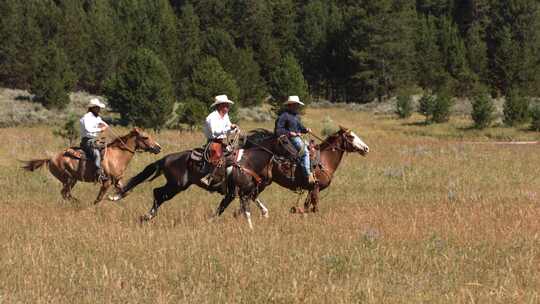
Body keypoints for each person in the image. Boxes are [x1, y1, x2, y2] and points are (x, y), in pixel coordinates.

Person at [274, 95, 315, 184]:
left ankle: (311, 170)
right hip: (289, 139)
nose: (297, 106)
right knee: (305, 153)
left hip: (297, 137)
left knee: (311, 148)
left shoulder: (295, 116)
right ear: (290, 105)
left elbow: (300, 127)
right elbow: (278, 130)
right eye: (296, 105)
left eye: (298, 105)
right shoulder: (284, 116)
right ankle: (307, 175)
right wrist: (290, 133)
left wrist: (305, 129)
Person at [200, 94, 237, 186]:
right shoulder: (211, 117)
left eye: (227, 105)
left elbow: (228, 125)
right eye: (225, 104)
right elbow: (215, 132)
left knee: (236, 153)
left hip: (223, 141)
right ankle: (210, 176)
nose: (228, 107)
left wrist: (234, 128)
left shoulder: (225, 115)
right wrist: (229, 129)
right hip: (213, 142)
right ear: (220, 106)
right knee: (217, 155)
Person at [80, 98, 109, 182]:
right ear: (92, 108)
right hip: (87, 141)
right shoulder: (86, 118)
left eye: (99, 108)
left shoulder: (96, 117)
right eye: (97, 107)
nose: (99, 109)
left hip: (94, 140)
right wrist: (100, 129)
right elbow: (88, 129)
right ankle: (98, 173)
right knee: (96, 154)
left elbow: (104, 123)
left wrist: (104, 125)